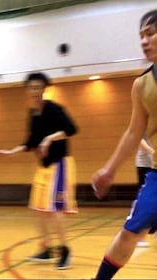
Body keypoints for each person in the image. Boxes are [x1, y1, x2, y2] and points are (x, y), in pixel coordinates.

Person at [91, 9, 157, 280]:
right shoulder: (141, 85)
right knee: (131, 231)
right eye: (141, 35)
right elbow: (133, 132)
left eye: (150, 33)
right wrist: (109, 170)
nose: (144, 40)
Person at [0, 72, 78, 270]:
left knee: (55, 210)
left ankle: (65, 251)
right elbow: (30, 142)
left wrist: (49, 139)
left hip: (60, 164)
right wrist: (10, 152)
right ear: (27, 90)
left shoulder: (54, 109)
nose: (34, 91)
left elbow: (72, 129)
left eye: (38, 87)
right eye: (31, 87)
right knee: (38, 209)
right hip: (44, 168)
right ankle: (47, 248)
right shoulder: (33, 115)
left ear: (44, 89)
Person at [134, 136, 154, 247]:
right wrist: (152, 151)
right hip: (145, 165)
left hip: (154, 165)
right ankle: (140, 236)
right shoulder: (145, 120)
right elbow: (138, 139)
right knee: (145, 201)